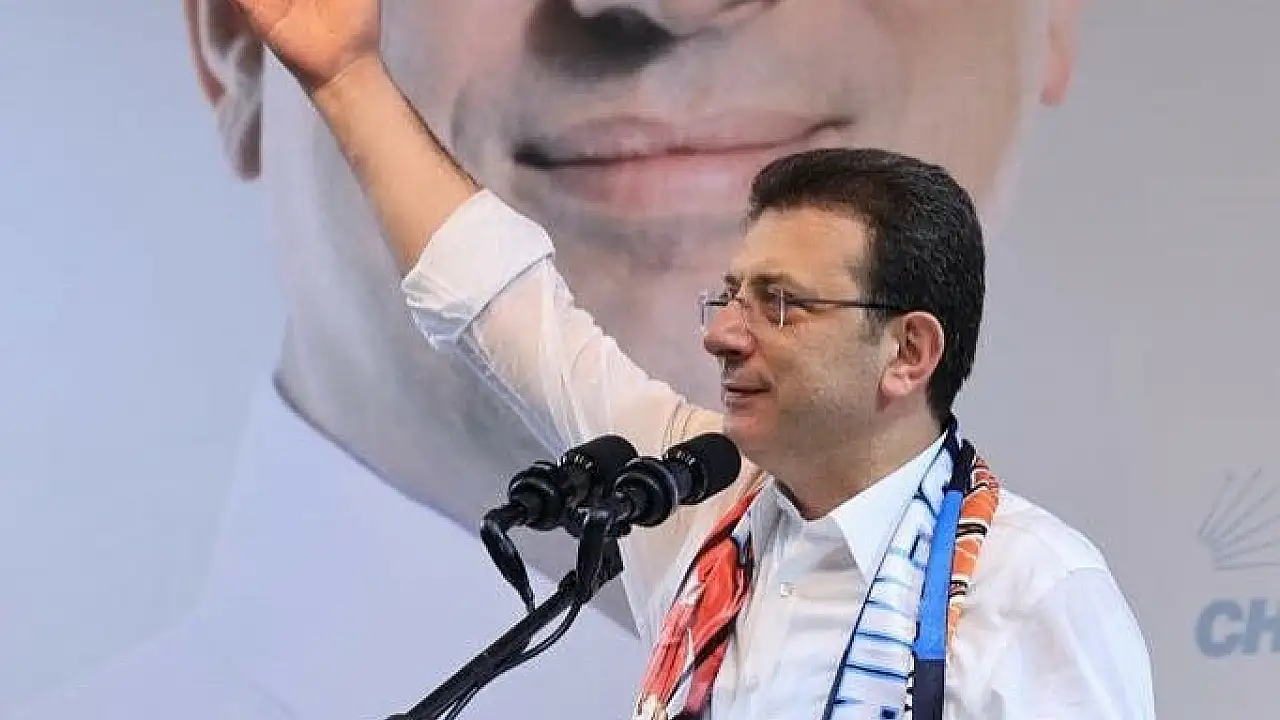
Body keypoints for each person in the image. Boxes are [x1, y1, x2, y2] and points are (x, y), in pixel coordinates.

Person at [12, 0, 1086, 717]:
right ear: (234, 29)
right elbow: (501, 300)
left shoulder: (1035, 608)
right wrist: (344, 80)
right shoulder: (684, 503)